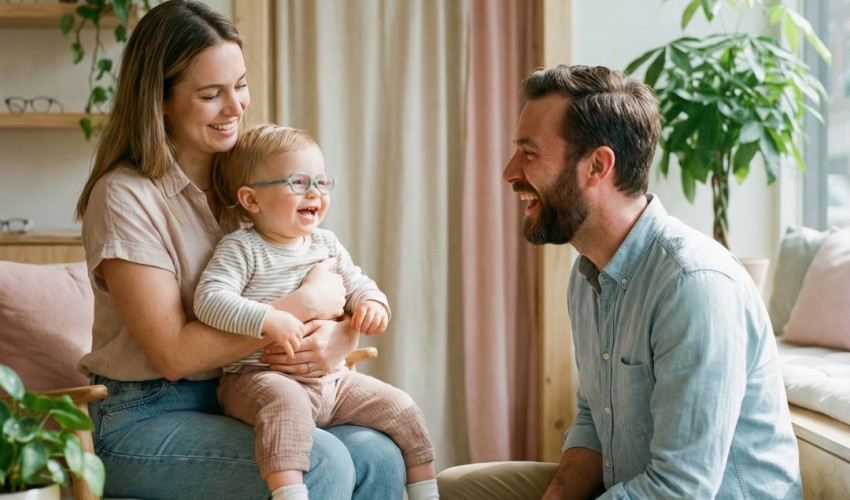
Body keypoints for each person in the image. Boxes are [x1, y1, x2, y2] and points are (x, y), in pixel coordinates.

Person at [73, 1, 405, 498]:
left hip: (242, 391)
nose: (236, 108)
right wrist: (299, 309)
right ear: (158, 99)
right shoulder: (126, 196)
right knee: (321, 462)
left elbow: (327, 278)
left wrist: (339, 338)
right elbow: (174, 355)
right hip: (141, 415)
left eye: (241, 85)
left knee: (379, 453)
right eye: (211, 95)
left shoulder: (252, 183)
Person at [436, 64, 802, 499]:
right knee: (458, 488)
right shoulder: (588, 274)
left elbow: (680, 489)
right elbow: (594, 415)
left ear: (597, 166)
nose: (510, 172)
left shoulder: (694, 286)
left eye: (529, 153)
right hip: (632, 488)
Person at [194, 123, 439, 500]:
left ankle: (426, 493)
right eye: (298, 182)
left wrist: (372, 303)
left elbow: (356, 282)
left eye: (322, 182)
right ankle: (290, 493)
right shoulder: (241, 249)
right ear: (251, 200)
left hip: (333, 383)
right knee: (286, 406)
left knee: (401, 407)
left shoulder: (325, 243)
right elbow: (209, 300)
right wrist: (267, 318)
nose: (315, 193)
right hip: (257, 378)